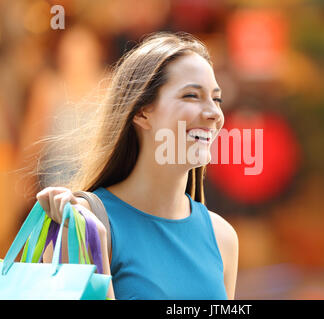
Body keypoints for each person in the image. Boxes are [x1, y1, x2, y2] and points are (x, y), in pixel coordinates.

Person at [34, 31, 239, 300]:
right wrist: (92, 249)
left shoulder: (222, 237)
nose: (214, 113)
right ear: (142, 112)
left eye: (216, 98)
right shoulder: (84, 224)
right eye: (191, 95)